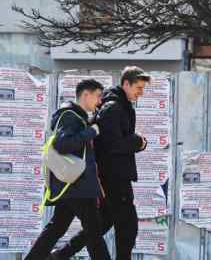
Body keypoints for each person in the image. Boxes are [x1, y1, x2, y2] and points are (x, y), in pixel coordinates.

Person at [49, 66, 150, 260]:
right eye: (138, 88)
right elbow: (112, 144)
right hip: (113, 176)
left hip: (111, 174)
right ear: (126, 84)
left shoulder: (118, 105)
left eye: (143, 88)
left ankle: (61, 254)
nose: (141, 93)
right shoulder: (114, 108)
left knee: (102, 223)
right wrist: (138, 142)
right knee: (127, 225)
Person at [25, 79, 110, 260]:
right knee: (94, 233)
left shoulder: (77, 117)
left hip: (72, 185)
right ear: (85, 95)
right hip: (78, 186)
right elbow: (63, 144)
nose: (99, 101)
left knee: (56, 228)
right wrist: (92, 131)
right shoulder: (70, 116)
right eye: (97, 96)